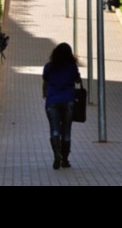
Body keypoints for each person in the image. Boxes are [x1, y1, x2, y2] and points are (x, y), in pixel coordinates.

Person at [42, 42, 81, 170]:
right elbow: (77, 80)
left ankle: (56, 155)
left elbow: (46, 81)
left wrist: (45, 94)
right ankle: (65, 160)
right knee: (66, 130)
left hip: (52, 101)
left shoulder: (49, 66)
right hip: (68, 101)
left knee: (54, 129)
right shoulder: (71, 66)